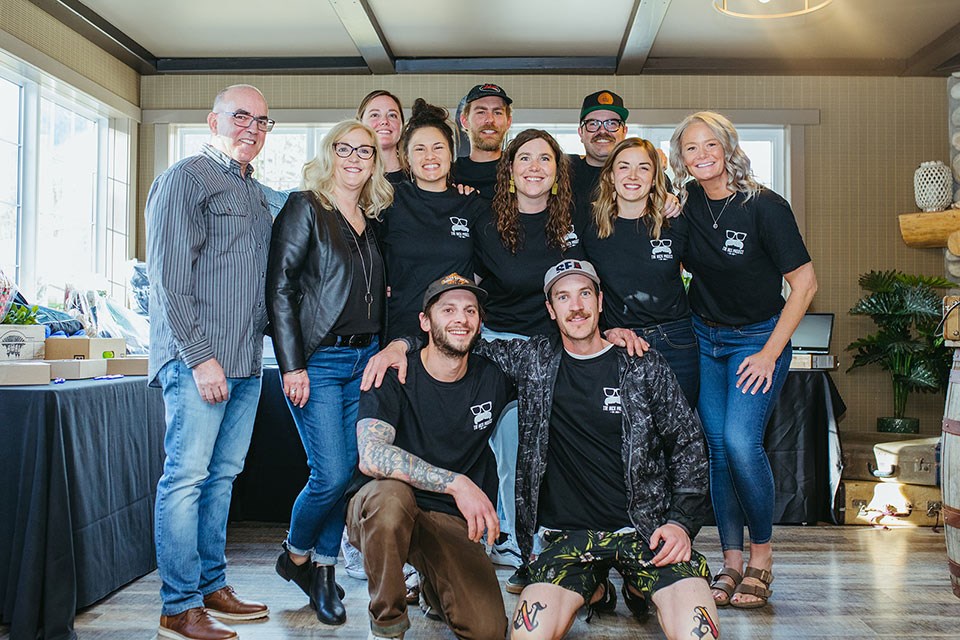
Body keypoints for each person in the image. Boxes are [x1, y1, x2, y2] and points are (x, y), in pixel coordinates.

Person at [366, 260, 717, 640]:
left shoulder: (642, 364)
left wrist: (681, 522)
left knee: (696, 633)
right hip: (566, 539)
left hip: (645, 533)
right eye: (563, 297)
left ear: (601, 302)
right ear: (550, 310)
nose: (576, 306)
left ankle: (631, 584)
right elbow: (456, 337)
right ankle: (596, 587)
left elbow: (689, 446)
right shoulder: (532, 361)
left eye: (585, 293)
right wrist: (400, 344)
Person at [670, 110, 817, 610]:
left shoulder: (765, 207)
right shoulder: (686, 202)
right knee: (715, 448)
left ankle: (761, 557)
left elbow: (805, 285)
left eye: (711, 144)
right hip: (703, 337)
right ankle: (730, 561)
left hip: (757, 341)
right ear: (681, 158)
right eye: (691, 147)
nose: (702, 154)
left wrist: (770, 353)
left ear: (729, 147)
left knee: (739, 442)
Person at [146, 84, 274, 640]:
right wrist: (200, 359)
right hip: (199, 362)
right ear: (213, 120)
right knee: (186, 479)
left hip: (247, 362)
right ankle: (179, 605)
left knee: (222, 478)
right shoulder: (186, 178)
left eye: (262, 121)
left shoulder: (255, 191)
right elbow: (168, 279)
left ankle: (212, 586)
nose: (251, 127)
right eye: (240, 116)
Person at [266, 119, 393, 625]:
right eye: (346, 148)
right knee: (330, 473)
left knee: (349, 475)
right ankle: (295, 554)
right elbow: (280, 288)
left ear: (375, 161)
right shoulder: (306, 207)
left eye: (366, 151)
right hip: (319, 360)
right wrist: (291, 365)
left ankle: (321, 570)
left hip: (365, 359)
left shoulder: (371, 218)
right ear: (330, 153)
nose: (355, 158)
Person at [347, 274, 514, 640]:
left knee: (487, 630)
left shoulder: (493, 377)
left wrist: (611, 334)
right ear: (425, 321)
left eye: (470, 310)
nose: (461, 318)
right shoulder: (394, 373)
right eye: (448, 309)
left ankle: (431, 584)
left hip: (449, 519)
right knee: (389, 500)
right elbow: (371, 456)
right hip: (385, 510)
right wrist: (456, 482)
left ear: (480, 322)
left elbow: (557, 363)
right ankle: (387, 625)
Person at [583, 137, 699, 407]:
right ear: (611, 176)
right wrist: (603, 331)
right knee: (628, 436)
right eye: (624, 167)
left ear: (655, 177)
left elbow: (706, 274)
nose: (633, 175)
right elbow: (584, 288)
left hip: (677, 342)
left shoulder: (674, 221)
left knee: (681, 435)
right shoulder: (591, 226)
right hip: (622, 342)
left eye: (644, 168)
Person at [378, 98, 487, 341]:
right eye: (419, 149)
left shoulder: (472, 205)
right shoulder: (389, 201)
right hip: (400, 332)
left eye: (438, 147)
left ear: (451, 154)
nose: (430, 156)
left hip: (455, 335)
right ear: (406, 156)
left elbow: (486, 268)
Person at [452, 83, 513, 199]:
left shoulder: (519, 172)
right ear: (464, 121)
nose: (490, 120)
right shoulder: (450, 176)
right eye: (481, 112)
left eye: (497, 112)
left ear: (508, 122)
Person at [357, 90, 407, 184]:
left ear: (401, 125)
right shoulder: (350, 175)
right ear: (360, 123)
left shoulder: (416, 175)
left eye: (392, 115)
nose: (384, 121)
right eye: (374, 115)